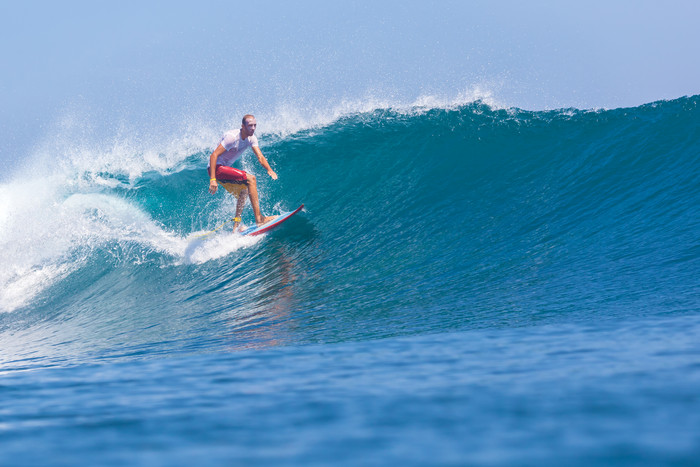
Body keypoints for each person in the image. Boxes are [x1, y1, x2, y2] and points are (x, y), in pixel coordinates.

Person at [208, 114, 278, 232]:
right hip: (216, 169)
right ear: (243, 126)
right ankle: (259, 219)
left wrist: (269, 169)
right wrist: (213, 180)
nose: (253, 128)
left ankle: (235, 227)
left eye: (255, 125)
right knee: (251, 179)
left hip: (223, 168)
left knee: (244, 190)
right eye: (250, 125)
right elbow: (214, 155)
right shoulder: (232, 138)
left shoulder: (252, 138)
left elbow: (260, 157)